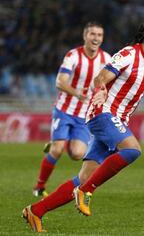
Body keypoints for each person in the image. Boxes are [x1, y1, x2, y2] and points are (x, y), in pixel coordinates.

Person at [22, 15, 144, 232]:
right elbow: (101, 78)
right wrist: (100, 92)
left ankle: (36, 211)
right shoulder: (128, 54)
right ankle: (86, 191)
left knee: (83, 177)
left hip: (116, 120)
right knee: (132, 149)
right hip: (102, 113)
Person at [33, 22, 111, 197]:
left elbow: (109, 84)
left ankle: (57, 141)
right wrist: (77, 93)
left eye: (99, 35)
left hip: (84, 116)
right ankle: (39, 187)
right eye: (92, 34)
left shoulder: (106, 59)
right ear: (85, 36)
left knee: (77, 154)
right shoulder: (73, 56)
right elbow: (60, 82)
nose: (96, 38)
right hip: (65, 110)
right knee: (57, 150)